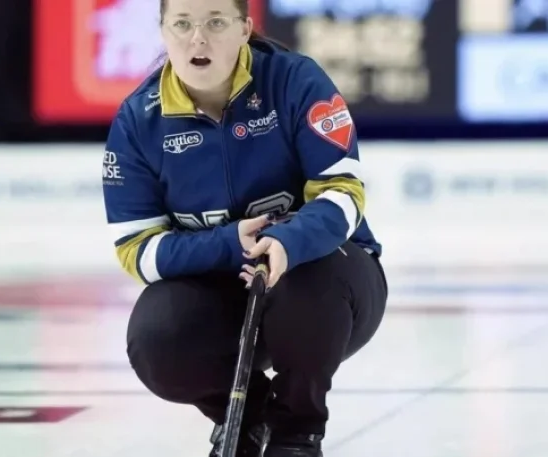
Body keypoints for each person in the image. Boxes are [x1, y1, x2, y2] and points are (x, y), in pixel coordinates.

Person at [101, 0, 387, 455]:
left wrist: (286, 242)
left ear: (244, 29)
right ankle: (252, 419)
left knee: (305, 285)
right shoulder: (138, 121)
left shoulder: (295, 81)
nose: (199, 38)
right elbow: (137, 249)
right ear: (162, 30)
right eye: (182, 23)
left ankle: (297, 432)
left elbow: (343, 193)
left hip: (333, 286)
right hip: (222, 295)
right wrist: (229, 244)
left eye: (216, 22)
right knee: (157, 338)